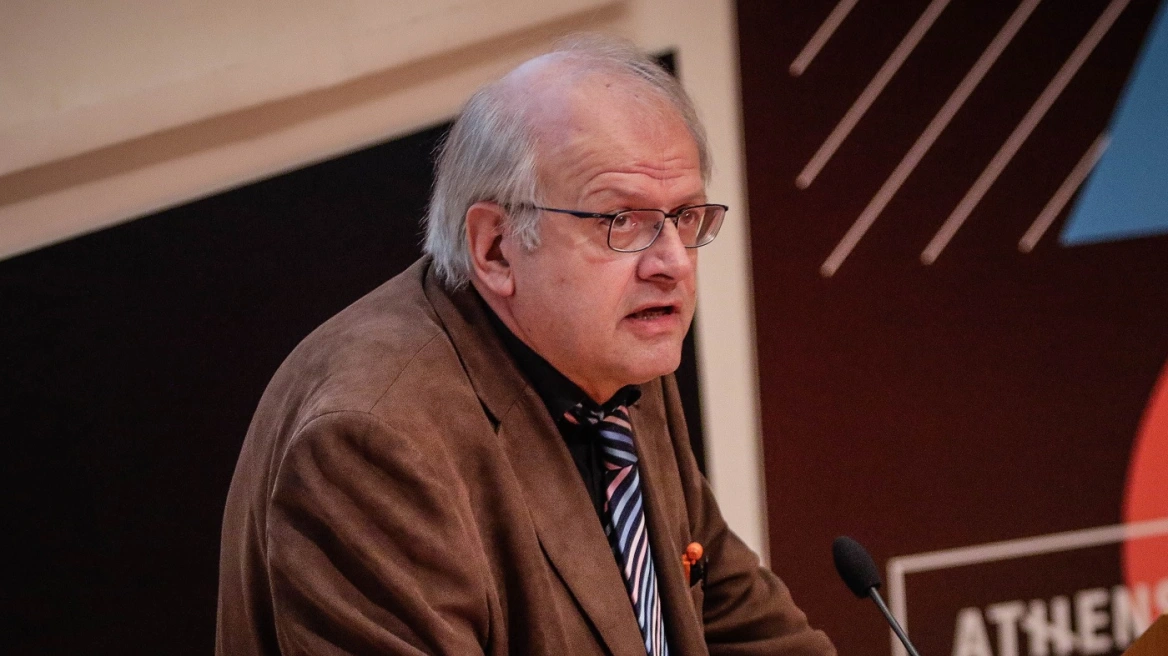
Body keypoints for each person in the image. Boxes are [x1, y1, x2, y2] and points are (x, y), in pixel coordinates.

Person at [216, 35, 835, 655]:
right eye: (622, 221)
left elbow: (739, 622)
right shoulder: (371, 443)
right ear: (495, 248)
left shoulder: (615, 356)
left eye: (686, 217)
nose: (672, 263)